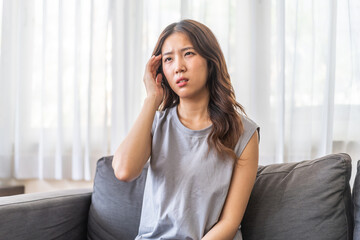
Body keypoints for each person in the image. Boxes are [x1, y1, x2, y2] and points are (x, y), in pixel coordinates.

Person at [112, 19, 259, 240]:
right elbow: (124, 171)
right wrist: (152, 99)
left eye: (188, 54)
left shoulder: (243, 133)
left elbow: (229, 222)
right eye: (169, 59)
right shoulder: (155, 123)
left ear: (211, 61)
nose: (178, 66)